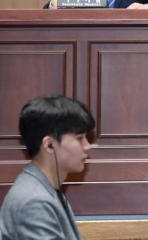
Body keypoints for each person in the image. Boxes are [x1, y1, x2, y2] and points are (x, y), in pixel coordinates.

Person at [0, 95, 96, 240]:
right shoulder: (34, 202)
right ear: (49, 145)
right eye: (79, 138)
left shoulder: (45, 189)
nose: (88, 146)